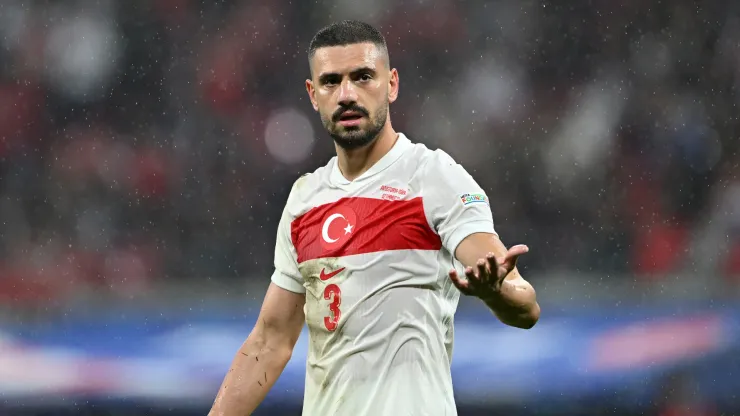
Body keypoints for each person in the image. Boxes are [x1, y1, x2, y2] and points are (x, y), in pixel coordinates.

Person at [209, 20, 540, 416]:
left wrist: (494, 291)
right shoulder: (304, 200)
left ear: (392, 84)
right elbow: (269, 342)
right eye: (331, 82)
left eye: (363, 77)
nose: (347, 94)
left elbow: (526, 305)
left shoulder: (434, 178)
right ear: (313, 95)